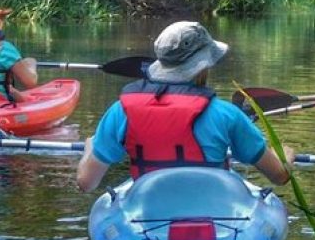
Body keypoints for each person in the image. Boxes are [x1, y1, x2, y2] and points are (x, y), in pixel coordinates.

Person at [77, 21, 294, 192]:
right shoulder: (227, 115)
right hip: (214, 219)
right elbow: (280, 176)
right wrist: (286, 155)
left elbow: (86, 183)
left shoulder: (120, 111)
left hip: (147, 218)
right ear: (205, 65)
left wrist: (89, 148)